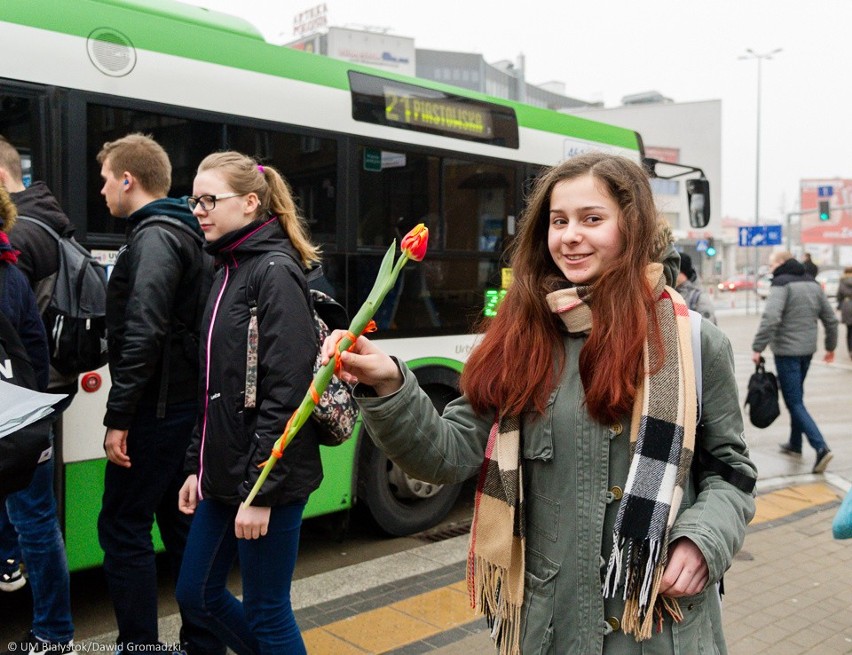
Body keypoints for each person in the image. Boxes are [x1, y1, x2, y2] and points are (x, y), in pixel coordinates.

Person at [321, 152, 756, 654]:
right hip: (552, 630)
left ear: (632, 225)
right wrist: (388, 383)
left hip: (661, 629)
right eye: (558, 221)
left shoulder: (695, 343)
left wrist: (703, 540)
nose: (571, 235)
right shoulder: (518, 340)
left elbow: (731, 472)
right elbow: (445, 454)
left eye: (592, 219)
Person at [175, 152, 323, 655]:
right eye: (194, 199)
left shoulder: (274, 271)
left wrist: (261, 491)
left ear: (251, 202)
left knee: (267, 610)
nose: (199, 209)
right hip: (222, 475)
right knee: (196, 595)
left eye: (210, 199)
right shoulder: (226, 270)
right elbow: (212, 386)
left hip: (266, 479)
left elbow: (290, 390)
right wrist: (197, 464)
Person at [95, 134, 221, 655]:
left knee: (123, 529)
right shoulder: (189, 232)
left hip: (155, 411)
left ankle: (139, 646)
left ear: (128, 180)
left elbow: (143, 330)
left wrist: (119, 416)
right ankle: (202, 641)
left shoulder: (152, 238)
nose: (102, 191)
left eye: (105, 179)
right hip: (185, 408)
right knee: (180, 526)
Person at [0, 150, 75, 654]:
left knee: (32, 523)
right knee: (37, 523)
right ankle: (55, 634)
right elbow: (36, 347)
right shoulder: (11, 273)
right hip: (23, 420)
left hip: (15, 421)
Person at [752, 250, 837, 474]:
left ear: (781, 262)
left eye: (771, 265)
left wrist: (758, 346)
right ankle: (795, 443)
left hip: (787, 352)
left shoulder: (781, 283)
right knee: (797, 396)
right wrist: (830, 347)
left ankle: (820, 447)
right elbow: (830, 319)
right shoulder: (812, 283)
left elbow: (771, 318)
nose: (771, 269)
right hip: (807, 351)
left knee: (794, 402)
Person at [675, 252, 717, 325]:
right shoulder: (670, 293)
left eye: (675, 272)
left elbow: (707, 331)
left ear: (683, 272)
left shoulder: (699, 298)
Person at [836, 266, 852, 359]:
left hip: (846, 306)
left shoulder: (842, 282)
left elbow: (839, 296)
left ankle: (850, 350)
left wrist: (839, 306)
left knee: (849, 330)